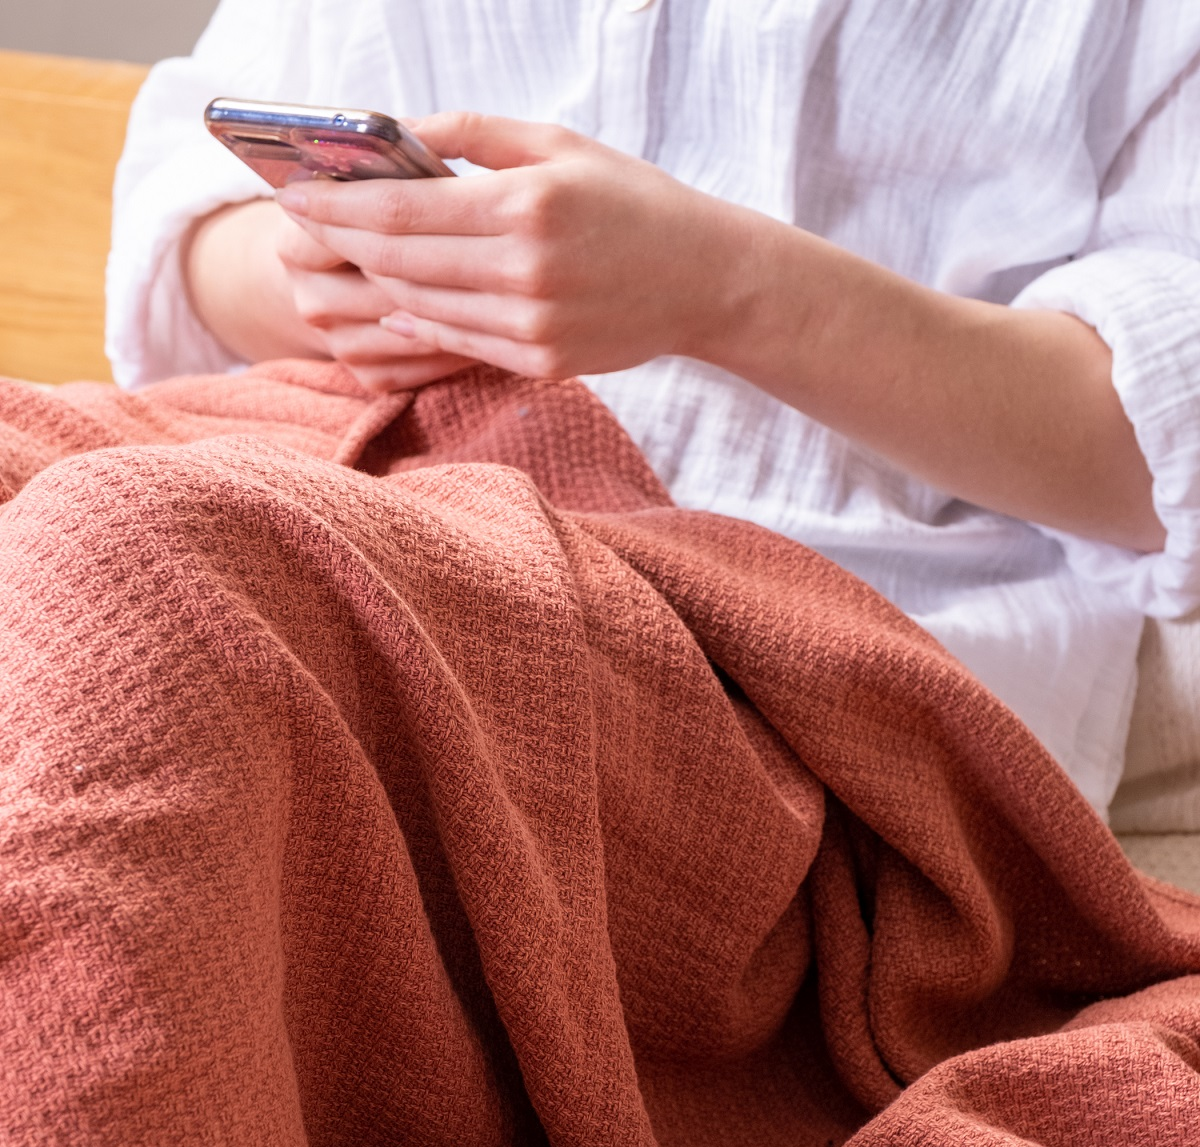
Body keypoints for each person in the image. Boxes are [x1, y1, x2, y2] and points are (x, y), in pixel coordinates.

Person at [109, 0, 1200, 814]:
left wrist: (721, 290)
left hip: (779, 639)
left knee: (140, 566)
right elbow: (190, 222)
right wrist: (313, 274)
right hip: (323, 463)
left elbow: (1160, 457)